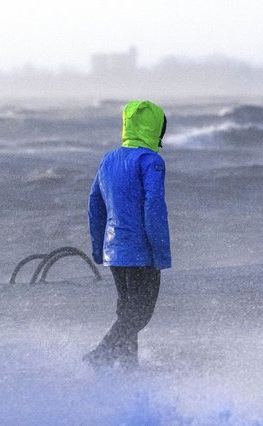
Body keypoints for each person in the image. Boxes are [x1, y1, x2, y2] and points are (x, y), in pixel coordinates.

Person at [84, 100, 171, 370]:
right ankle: (100, 354)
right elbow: (153, 205)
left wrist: (99, 248)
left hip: (115, 252)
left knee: (127, 313)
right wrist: (159, 252)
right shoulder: (150, 161)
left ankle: (127, 370)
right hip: (141, 252)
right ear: (156, 128)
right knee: (140, 314)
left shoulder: (108, 160)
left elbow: (94, 204)